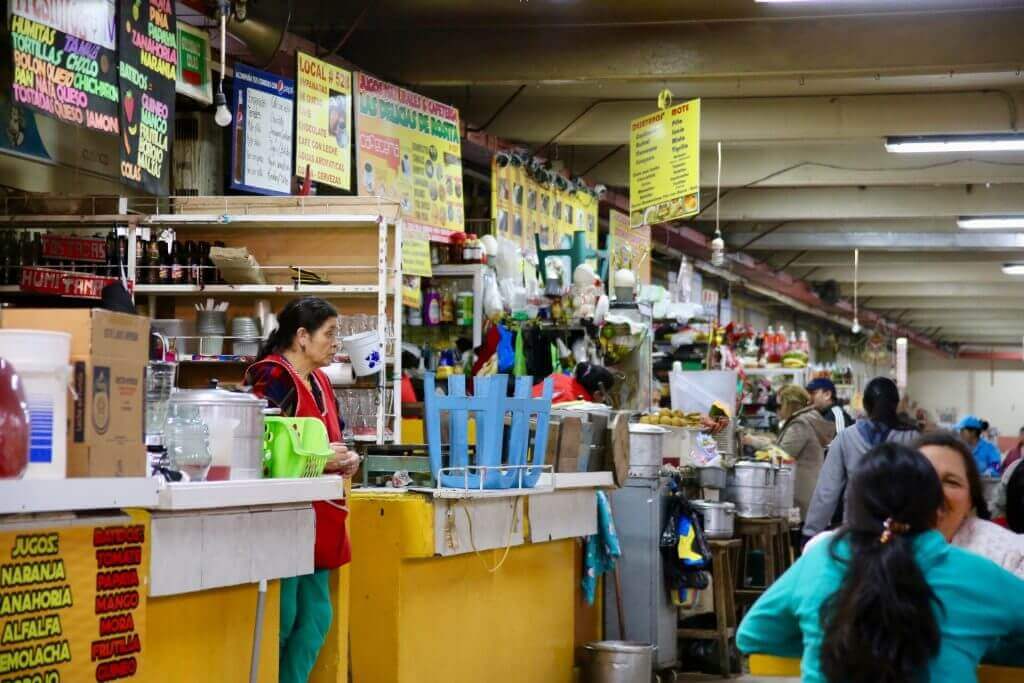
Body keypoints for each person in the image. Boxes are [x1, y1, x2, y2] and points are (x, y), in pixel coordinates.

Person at [737, 443, 1024, 683]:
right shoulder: (979, 576)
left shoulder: (821, 561)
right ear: (937, 510)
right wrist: (976, 645)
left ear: (854, 507)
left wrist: (831, 640)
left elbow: (753, 636)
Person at [244, 298, 361, 683]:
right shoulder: (271, 377)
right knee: (284, 616)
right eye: (329, 334)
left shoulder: (322, 381)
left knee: (314, 621)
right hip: (283, 519)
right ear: (301, 337)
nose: (335, 343)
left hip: (320, 519)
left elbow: (332, 440)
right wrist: (320, 460)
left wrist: (347, 459)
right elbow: (256, 445)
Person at [802, 377, 919, 540]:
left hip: (856, 531)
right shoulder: (912, 438)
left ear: (865, 405)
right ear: (896, 404)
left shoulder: (846, 438)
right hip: (900, 533)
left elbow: (826, 491)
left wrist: (811, 532)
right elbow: (922, 490)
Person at [915, 432, 1024, 578]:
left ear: (970, 502)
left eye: (951, 482)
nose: (935, 491)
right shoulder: (880, 542)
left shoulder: (1009, 558)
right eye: (920, 478)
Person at [775, 385, 836, 522]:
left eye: (781, 405)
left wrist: (755, 442)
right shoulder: (810, 419)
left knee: (798, 539)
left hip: (801, 495)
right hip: (810, 493)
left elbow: (783, 454)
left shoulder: (800, 424)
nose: (778, 409)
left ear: (789, 405)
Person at [532, 361, 615, 404]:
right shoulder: (576, 406)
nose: (604, 399)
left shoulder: (558, 377)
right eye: (606, 394)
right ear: (597, 394)